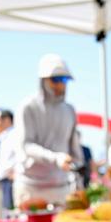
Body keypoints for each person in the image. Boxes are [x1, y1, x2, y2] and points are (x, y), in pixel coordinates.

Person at [14, 54, 83, 206]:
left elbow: (74, 150)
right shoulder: (28, 107)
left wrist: (78, 173)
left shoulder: (69, 110)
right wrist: (55, 158)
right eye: (56, 80)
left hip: (60, 187)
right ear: (43, 80)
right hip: (31, 186)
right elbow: (26, 145)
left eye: (64, 80)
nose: (61, 85)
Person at [0, 109, 16, 210]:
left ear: (6, 120)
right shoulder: (3, 137)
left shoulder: (14, 135)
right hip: (3, 182)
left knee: (10, 213)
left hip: (10, 182)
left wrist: (15, 171)